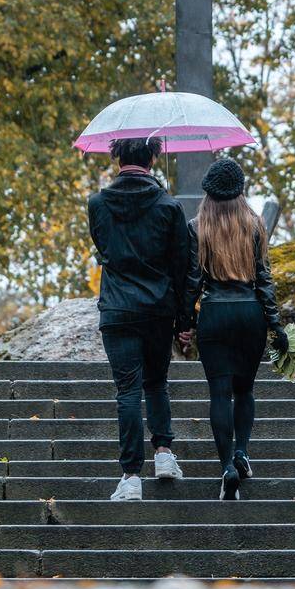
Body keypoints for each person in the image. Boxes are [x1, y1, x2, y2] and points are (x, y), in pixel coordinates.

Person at [88, 135, 193, 502]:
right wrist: (184, 321)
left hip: (117, 309)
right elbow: (183, 267)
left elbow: (104, 249)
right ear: (153, 156)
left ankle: (131, 476)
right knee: (157, 383)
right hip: (157, 308)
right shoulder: (169, 206)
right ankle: (164, 454)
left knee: (127, 391)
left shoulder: (97, 204)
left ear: (116, 156)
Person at [182, 157, 288, 500]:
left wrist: (183, 322)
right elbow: (264, 280)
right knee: (245, 391)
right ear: (240, 192)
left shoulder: (197, 226)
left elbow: (192, 282)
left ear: (209, 194)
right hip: (250, 315)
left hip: (214, 315)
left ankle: (227, 465)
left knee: (219, 394)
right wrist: (276, 325)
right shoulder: (255, 225)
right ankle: (242, 451)